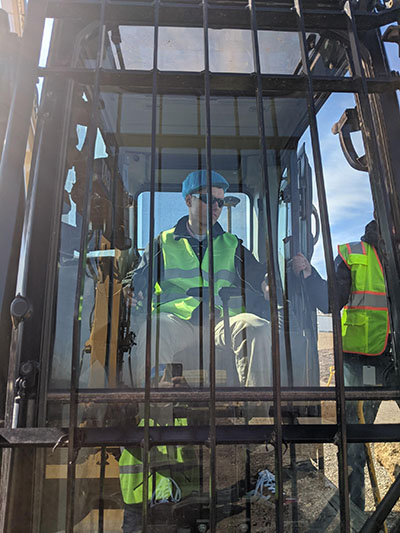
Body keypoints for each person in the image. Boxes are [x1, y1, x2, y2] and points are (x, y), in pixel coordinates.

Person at [119, 170, 275, 532]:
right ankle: (153, 418)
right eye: (210, 199)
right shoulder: (163, 242)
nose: (217, 207)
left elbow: (259, 276)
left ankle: (258, 426)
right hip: (177, 321)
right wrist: (132, 289)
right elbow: (138, 281)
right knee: (150, 333)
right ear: (188, 200)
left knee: (255, 327)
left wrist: (268, 284)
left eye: (222, 200)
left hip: (220, 322)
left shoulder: (233, 245)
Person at [294, 219, 394, 511]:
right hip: (363, 361)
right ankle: (355, 514)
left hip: (394, 357)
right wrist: (310, 275)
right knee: (354, 441)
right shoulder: (353, 254)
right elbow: (329, 301)